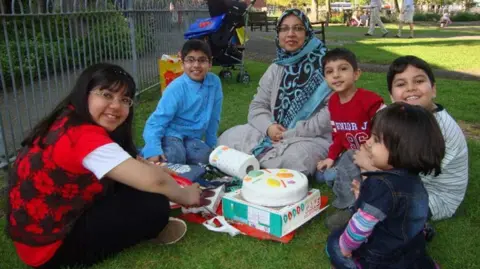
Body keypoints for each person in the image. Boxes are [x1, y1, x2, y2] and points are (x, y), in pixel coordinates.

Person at [6, 63, 203, 269]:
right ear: (85, 93)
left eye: (125, 100)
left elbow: (130, 164)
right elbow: (155, 181)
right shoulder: (84, 137)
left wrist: (151, 169)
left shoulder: (68, 117)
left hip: (37, 232)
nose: (116, 106)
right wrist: (186, 195)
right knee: (155, 205)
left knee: (138, 188)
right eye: (107, 95)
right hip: (51, 249)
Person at [326, 103, 443, 269]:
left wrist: (345, 247)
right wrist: (363, 197)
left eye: (375, 139)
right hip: (412, 250)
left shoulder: (380, 185)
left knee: (334, 243)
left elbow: (360, 226)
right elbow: (398, 211)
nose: (367, 142)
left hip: (381, 258)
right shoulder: (414, 180)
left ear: (400, 148)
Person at [217, 8, 332, 176]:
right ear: (278, 35)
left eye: (298, 28)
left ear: (307, 33)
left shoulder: (326, 66)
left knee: (298, 160)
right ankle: (267, 166)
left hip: (309, 137)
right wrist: (269, 127)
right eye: (284, 29)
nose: (290, 34)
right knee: (228, 138)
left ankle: (251, 164)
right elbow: (258, 106)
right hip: (271, 132)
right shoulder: (276, 67)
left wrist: (293, 132)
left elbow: (332, 112)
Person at [141, 39, 223, 165]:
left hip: (192, 137)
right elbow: (156, 121)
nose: (196, 65)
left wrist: (211, 145)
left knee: (207, 158)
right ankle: (146, 152)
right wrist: (153, 149)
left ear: (210, 63)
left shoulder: (214, 82)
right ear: (182, 63)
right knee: (175, 157)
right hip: (171, 133)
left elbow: (214, 117)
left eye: (202, 60)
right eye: (190, 60)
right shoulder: (176, 88)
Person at [316, 48, 384, 173]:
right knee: (325, 175)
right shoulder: (333, 102)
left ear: (356, 74)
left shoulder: (370, 100)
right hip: (352, 156)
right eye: (329, 71)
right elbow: (338, 135)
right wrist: (331, 157)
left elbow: (387, 131)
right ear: (325, 79)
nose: (336, 75)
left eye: (343, 69)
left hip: (375, 156)